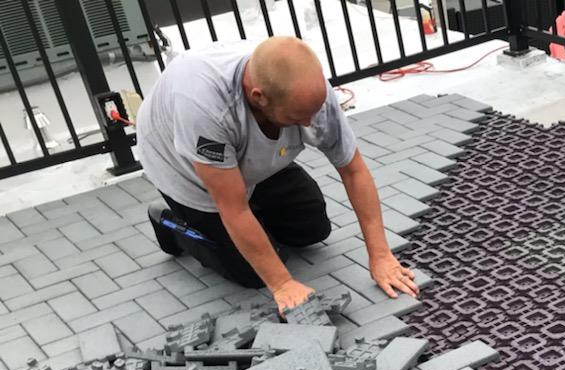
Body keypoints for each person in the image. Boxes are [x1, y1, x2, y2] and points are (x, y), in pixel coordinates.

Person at [136, 36, 417, 312]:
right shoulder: (205, 107)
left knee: (312, 228)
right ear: (259, 98)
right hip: (186, 171)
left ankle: (257, 219)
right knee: (253, 273)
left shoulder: (308, 90)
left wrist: (380, 255)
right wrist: (282, 284)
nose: (309, 124)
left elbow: (354, 171)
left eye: (311, 113)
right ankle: (171, 223)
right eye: (296, 119)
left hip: (250, 156)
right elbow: (232, 208)